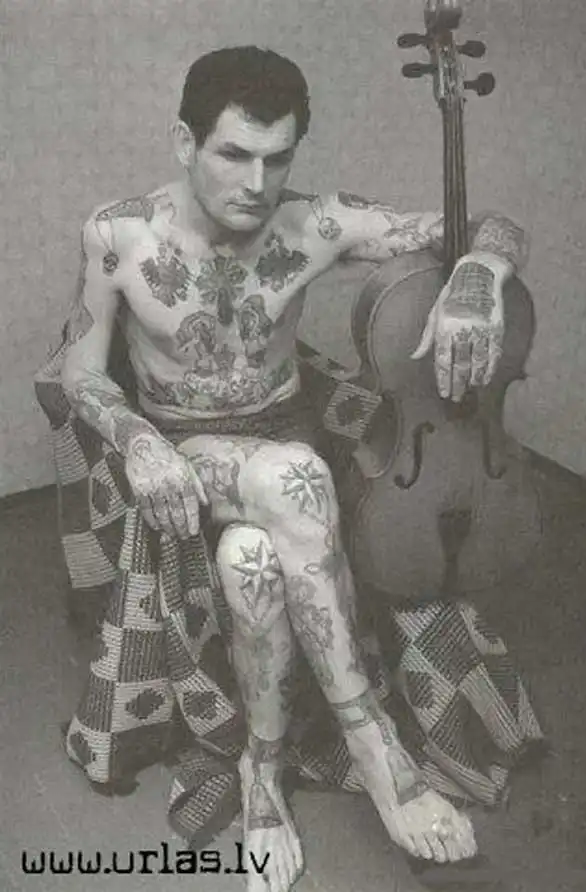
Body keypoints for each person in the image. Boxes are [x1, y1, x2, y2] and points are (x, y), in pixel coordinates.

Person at [60, 46, 530, 892]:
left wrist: (480, 274)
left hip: (284, 439)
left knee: (253, 565)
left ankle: (262, 774)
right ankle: (379, 753)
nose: (256, 182)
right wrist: (135, 439)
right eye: (233, 154)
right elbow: (81, 370)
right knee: (292, 481)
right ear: (184, 142)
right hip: (182, 453)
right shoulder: (117, 234)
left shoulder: (314, 224)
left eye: (277, 158)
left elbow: (488, 225)